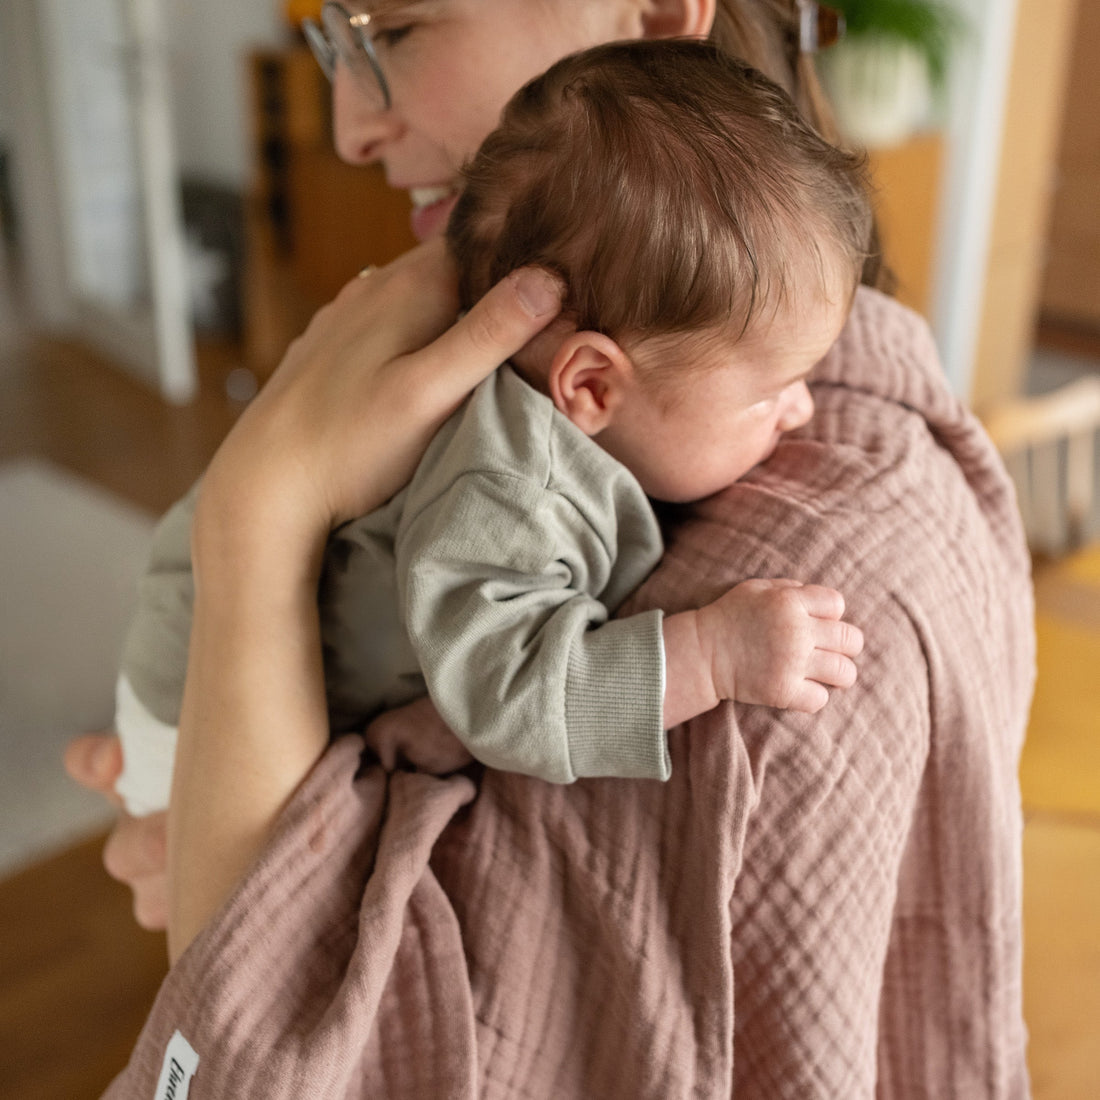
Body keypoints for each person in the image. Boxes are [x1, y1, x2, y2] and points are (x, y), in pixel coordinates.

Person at [68, 2, 1034, 1096]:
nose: (349, 128)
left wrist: (255, 537)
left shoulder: (819, 566)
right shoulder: (512, 421)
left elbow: (277, 1016)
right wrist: (252, 530)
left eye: (394, 29)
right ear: (589, 385)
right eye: (332, 42)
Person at [111, 40, 867, 816]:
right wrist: (712, 654)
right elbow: (518, 700)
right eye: (771, 393)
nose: (804, 409)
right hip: (193, 687)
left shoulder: (565, 422)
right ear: (592, 384)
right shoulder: (513, 490)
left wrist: (450, 710)